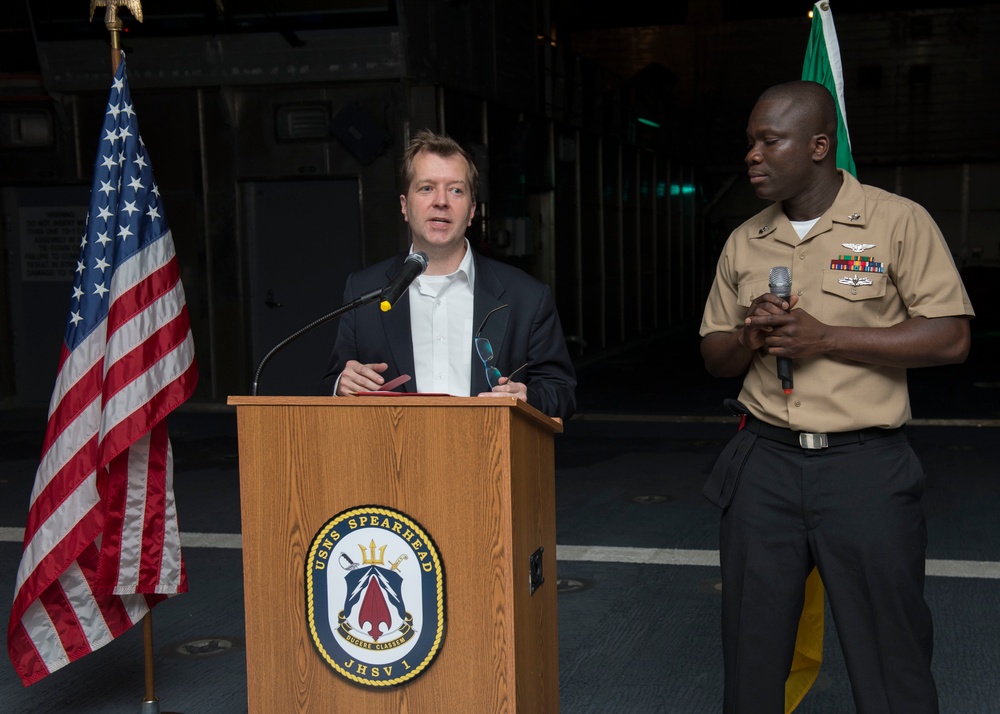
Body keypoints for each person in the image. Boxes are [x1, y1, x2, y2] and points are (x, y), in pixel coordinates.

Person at [699, 80, 974, 713]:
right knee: (752, 654)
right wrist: (750, 335)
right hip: (763, 465)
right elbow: (715, 355)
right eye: (750, 143)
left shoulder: (897, 221)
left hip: (865, 470)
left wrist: (825, 337)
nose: (753, 156)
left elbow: (951, 337)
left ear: (820, 146)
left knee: (890, 656)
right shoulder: (744, 240)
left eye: (770, 141)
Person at [321, 129, 576, 420]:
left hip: (491, 459)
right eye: (427, 188)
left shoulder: (527, 296)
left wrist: (528, 397)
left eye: (456, 190)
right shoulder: (364, 290)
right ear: (405, 206)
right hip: (393, 460)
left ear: (471, 211)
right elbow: (332, 382)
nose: (441, 201)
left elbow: (561, 391)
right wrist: (341, 384)